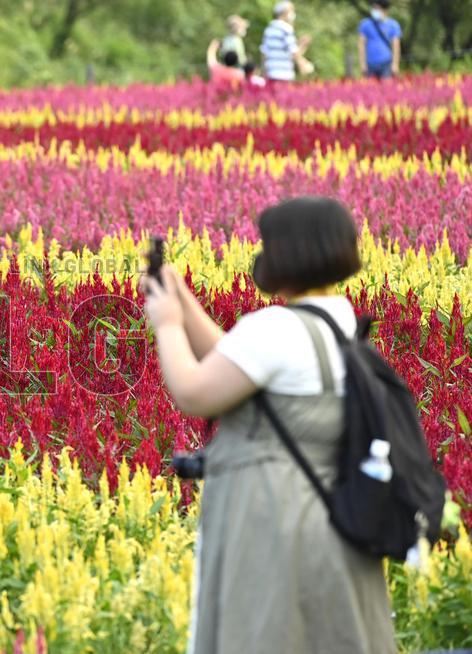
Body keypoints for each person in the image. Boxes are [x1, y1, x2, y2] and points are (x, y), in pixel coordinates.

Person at [141, 197, 396, 654]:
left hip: (274, 529)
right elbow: (237, 359)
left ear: (288, 255)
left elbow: (195, 391)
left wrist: (167, 323)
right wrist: (181, 296)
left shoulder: (275, 329)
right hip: (333, 524)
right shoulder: (337, 323)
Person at [260, 1, 314, 83]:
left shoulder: (269, 29)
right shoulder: (286, 29)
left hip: (271, 72)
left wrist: (263, 72)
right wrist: (303, 64)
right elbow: (293, 51)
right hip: (284, 73)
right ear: (285, 12)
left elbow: (264, 52)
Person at [358, 0, 402, 79]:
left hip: (386, 63)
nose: (374, 11)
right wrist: (362, 64)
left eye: (377, 9)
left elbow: (396, 46)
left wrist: (395, 64)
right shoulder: (365, 24)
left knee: (386, 88)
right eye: (374, 8)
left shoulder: (393, 25)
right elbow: (361, 45)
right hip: (370, 64)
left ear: (385, 10)